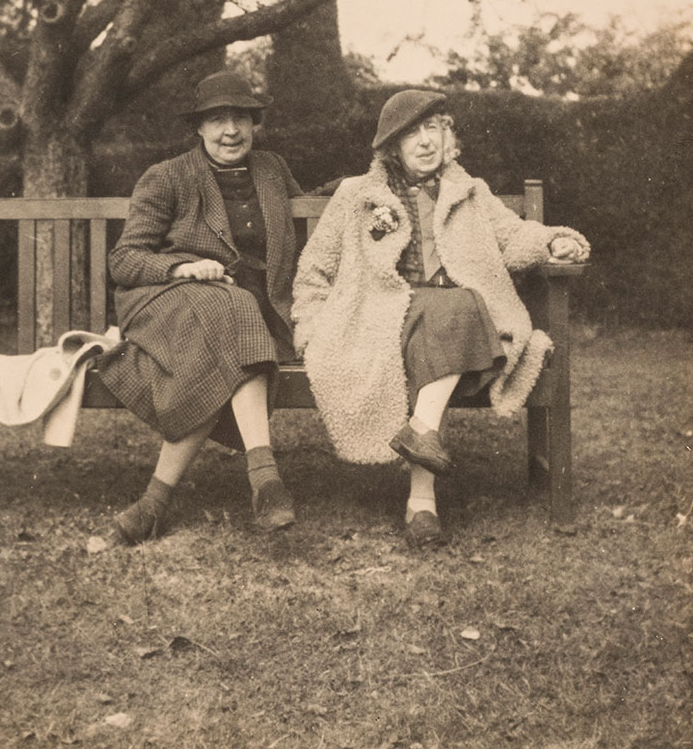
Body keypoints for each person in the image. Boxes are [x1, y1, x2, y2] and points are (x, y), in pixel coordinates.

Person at [291, 89, 589, 550]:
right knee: (459, 308)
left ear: (447, 135)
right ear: (392, 147)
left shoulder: (470, 192)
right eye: (412, 133)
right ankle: (421, 475)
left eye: (433, 128)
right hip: (385, 318)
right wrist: (309, 328)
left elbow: (513, 237)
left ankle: (421, 492)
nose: (426, 142)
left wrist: (553, 242)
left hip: (454, 325)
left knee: (458, 307)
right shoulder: (358, 195)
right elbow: (315, 269)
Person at [102, 71, 302, 544]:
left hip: (249, 311)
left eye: (240, 119)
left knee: (234, 313)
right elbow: (125, 259)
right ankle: (265, 477)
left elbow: (312, 206)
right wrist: (182, 268)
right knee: (229, 308)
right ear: (199, 128)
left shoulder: (272, 170)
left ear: (255, 125)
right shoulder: (168, 176)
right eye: (217, 119)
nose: (230, 131)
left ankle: (153, 503)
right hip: (167, 300)